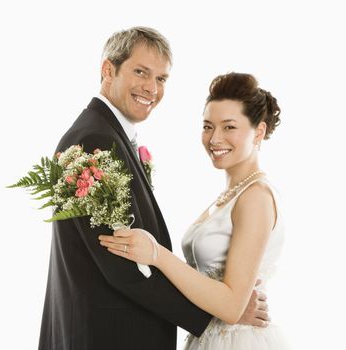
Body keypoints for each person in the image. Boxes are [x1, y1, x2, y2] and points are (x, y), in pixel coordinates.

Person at [39, 28, 269, 350]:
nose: (152, 88)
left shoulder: (106, 135)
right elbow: (124, 264)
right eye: (141, 72)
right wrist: (219, 312)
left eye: (161, 79)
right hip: (104, 337)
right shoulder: (95, 141)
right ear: (108, 70)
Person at [99, 72, 287, 349]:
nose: (215, 138)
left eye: (229, 127)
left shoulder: (256, 197)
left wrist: (157, 254)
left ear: (258, 131)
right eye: (208, 126)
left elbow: (233, 307)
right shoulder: (231, 196)